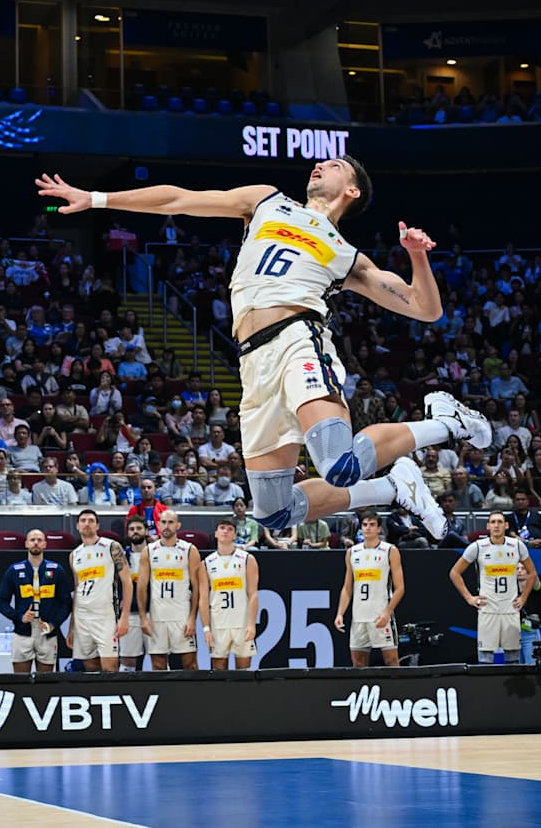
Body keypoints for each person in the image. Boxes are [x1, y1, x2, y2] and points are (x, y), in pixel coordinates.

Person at [37, 165, 490, 542]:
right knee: (274, 514)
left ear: (351, 190)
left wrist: (417, 256)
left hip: (298, 340)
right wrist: (96, 198)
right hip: (252, 362)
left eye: (335, 165)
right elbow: (178, 199)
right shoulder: (267, 200)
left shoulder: (347, 256)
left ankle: (447, 421)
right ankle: (391, 487)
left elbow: (426, 309)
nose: (321, 165)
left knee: (338, 464)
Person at [449, 511, 537, 663]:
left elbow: (532, 573)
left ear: (506, 525)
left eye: (500, 522)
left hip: (510, 608)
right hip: (488, 608)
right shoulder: (478, 547)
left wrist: (523, 598)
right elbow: (454, 573)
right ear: (488, 526)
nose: (496, 525)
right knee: (485, 658)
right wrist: (469, 598)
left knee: (513, 658)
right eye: (493, 522)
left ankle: (512, 687)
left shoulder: (517, 546)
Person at [0, 529, 74, 673]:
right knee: (20, 680)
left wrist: (53, 624)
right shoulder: (14, 570)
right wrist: (19, 617)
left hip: (46, 633)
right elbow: (1, 602)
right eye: (32, 540)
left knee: (45, 682)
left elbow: (66, 603)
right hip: (22, 633)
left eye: (39, 540)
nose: (36, 543)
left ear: (45, 544)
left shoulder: (56, 569)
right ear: (26, 544)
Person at [334, 510, 405, 668]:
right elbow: (347, 588)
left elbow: (400, 588)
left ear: (379, 529)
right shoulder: (352, 552)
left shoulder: (389, 551)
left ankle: (395, 692)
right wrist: (340, 613)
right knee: (358, 664)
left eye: (372, 525)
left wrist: (387, 612)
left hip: (380, 615)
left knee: (392, 661)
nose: (368, 528)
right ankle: (364, 693)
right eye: (365, 525)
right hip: (359, 616)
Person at [137, 509, 202, 671]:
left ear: (178, 525)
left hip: (182, 616)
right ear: (158, 524)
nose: (166, 526)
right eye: (163, 522)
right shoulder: (149, 551)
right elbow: (141, 587)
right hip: (157, 616)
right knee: (158, 666)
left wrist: (193, 618)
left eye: (170, 522)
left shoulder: (189, 550)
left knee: (190, 664)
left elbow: (197, 587)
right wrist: (143, 617)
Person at [68, 509, 132, 672]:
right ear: (77, 526)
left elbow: (127, 582)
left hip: (105, 614)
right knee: (89, 665)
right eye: (83, 520)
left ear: (97, 525)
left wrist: (124, 617)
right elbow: (77, 590)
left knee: (110, 667)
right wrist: (72, 626)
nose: (87, 523)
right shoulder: (74, 555)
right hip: (82, 615)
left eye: (91, 520)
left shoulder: (112, 547)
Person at [202, 516, 259, 670]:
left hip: (242, 623)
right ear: (215, 533)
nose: (225, 531)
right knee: (219, 676)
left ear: (235, 535)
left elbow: (253, 594)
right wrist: (206, 628)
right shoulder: (207, 563)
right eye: (222, 528)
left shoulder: (247, 559)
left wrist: (252, 624)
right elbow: (203, 598)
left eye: (230, 529)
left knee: (244, 675)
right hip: (218, 624)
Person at [119, 516, 151, 671]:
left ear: (146, 531)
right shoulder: (122, 556)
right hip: (130, 614)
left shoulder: (155, 553)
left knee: (158, 657)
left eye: (139, 528)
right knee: (127, 659)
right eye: (132, 529)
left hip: (153, 612)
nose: (135, 532)